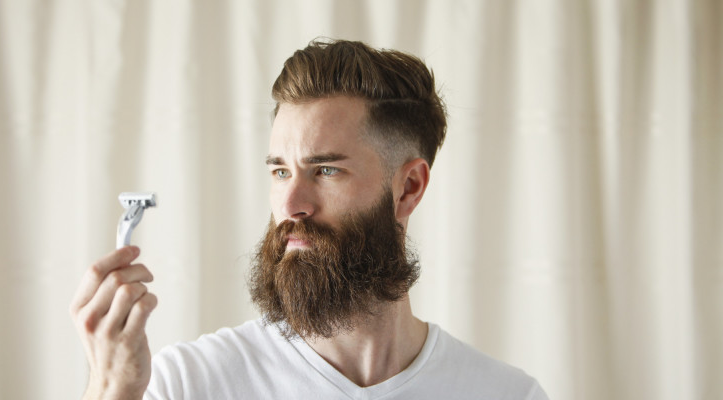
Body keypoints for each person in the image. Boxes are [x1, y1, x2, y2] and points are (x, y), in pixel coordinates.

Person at [70, 39, 549, 400]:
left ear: (408, 188)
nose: (291, 203)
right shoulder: (187, 384)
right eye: (280, 170)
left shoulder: (506, 394)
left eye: (326, 170)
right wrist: (110, 389)